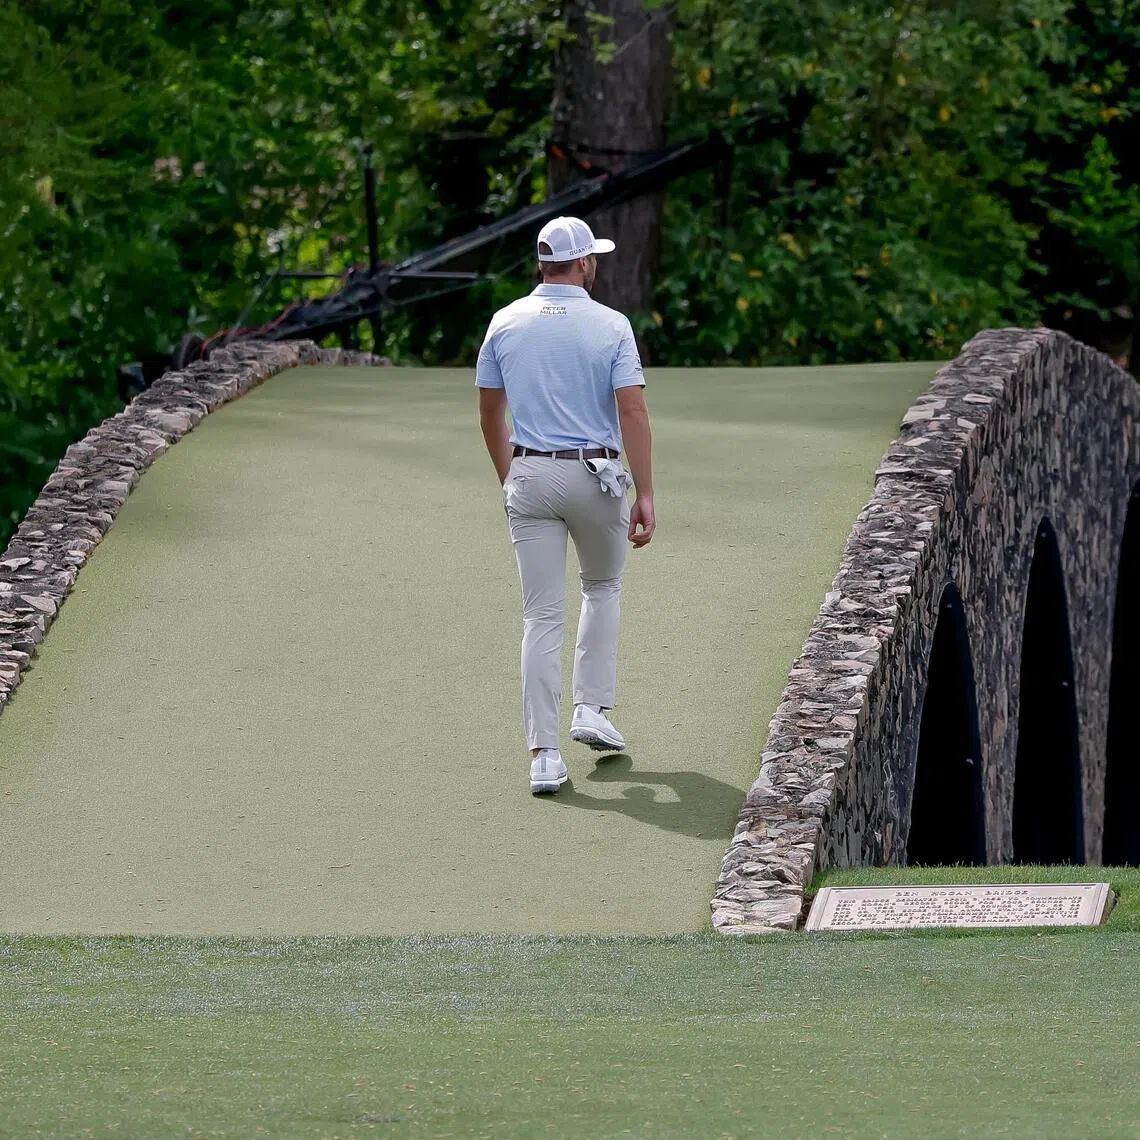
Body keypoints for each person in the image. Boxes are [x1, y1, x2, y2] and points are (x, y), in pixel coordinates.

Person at [476, 215, 656, 794]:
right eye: (593, 258)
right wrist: (646, 491)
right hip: (595, 474)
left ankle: (544, 756)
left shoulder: (505, 321)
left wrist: (512, 475)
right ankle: (592, 710)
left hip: (528, 471)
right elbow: (632, 410)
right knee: (601, 587)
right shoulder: (612, 324)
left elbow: (489, 413)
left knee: (541, 615)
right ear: (582, 263)